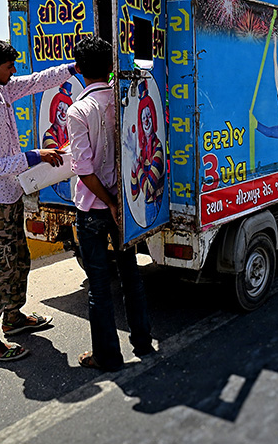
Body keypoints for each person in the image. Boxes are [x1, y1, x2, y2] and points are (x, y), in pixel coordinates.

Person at [0, 35, 76, 362]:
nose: (14, 72)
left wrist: (73, 68)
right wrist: (35, 156)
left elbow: (37, 81)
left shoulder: (2, 89)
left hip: (11, 192)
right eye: (8, 67)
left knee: (19, 258)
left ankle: (13, 318)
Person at [67, 36, 154, 371]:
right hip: (125, 205)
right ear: (109, 67)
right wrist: (120, 202)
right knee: (131, 275)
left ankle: (108, 357)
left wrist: (109, 202)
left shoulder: (78, 111)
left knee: (99, 287)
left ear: (78, 70)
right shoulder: (123, 101)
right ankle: (143, 341)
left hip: (93, 210)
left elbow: (85, 171)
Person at [128, 80, 165, 225]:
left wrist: (136, 166)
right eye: (143, 119)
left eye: (149, 116)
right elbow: (135, 192)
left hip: (155, 206)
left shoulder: (158, 148)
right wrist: (132, 164)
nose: (147, 122)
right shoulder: (143, 151)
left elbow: (149, 190)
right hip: (148, 207)